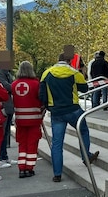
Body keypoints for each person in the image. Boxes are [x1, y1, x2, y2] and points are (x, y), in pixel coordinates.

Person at [39, 52, 99, 182]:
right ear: (69, 61)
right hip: (73, 110)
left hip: (56, 112)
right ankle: (86, 156)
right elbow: (85, 89)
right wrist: (81, 73)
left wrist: (47, 107)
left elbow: (42, 94)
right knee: (83, 131)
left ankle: (57, 174)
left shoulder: (47, 73)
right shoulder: (74, 73)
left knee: (57, 143)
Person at [11, 61, 43, 178]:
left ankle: (21, 168)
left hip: (20, 119)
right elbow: (41, 99)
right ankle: (29, 168)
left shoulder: (14, 84)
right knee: (32, 144)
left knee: (22, 144)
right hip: (34, 119)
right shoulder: (36, 84)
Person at [0, 63, 16, 169]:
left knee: (5, 133)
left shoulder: (7, 73)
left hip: (8, 107)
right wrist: (16, 85)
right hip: (3, 108)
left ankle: (4, 156)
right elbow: (8, 87)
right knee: (2, 133)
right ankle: (0, 157)